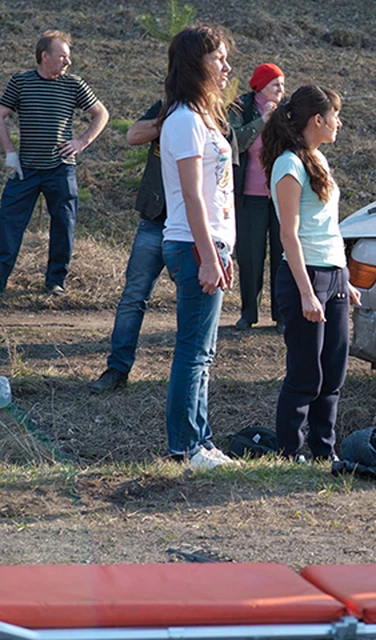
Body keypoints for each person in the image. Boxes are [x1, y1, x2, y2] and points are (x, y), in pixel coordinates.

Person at [259, 85, 361, 460]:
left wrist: (344, 279)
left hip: (333, 276)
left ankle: (324, 452)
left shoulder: (318, 159)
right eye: (335, 115)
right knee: (306, 375)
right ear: (317, 120)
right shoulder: (289, 163)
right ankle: (290, 452)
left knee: (333, 374)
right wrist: (306, 292)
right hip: (305, 277)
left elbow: (329, 227)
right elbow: (289, 233)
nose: (339, 123)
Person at [158, 26, 239, 469]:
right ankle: (187, 447)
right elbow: (191, 196)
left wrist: (222, 250)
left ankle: (200, 443)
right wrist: (209, 256)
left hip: (209, 245)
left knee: (202, 353)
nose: (226, 67)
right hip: (193, 246)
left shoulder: (203, 118)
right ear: (195, 64)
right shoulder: (185, 120)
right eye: (218, 59)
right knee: (193, 352)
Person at [0, 30, 109, 295]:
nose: (67, 62)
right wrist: (10, 151)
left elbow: (101, 114)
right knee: (8, 223)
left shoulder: (74, 85)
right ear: (44, 56)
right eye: (62, 56)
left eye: (68, 57)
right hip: (25, 168)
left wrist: (81, 142)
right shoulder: (21, 82)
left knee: (63, 225)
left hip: (61, 168)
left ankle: (55, 281)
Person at [90, 101, 167, 393]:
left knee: (192, 302)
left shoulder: (214, 111)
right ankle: (117, 369)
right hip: (154, 218)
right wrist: (166, 119)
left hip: (190, 226)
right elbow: (133, 135)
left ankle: (190, 377)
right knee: (133, 296)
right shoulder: (165, 107)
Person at [229, 63, 285, 332]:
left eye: (283, 85)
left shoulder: (287, 112)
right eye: (276, 85)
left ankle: (281, 315)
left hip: (281, 197)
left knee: (281, 255)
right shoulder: (241, 107)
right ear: (261, 85)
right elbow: (234, 140)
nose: (281, 90)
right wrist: (262, 121)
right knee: (250, 257)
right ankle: (248, 313)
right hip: (249, 196)